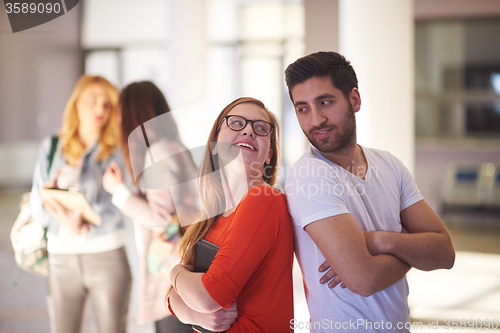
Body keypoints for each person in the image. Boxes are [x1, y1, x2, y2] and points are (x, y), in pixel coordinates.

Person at [284, 51, 455, 332]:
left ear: (354, 99)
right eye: (303, 108)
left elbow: (444, 253)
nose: (315, 120)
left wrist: (379, 241)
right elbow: (364, 280)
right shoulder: (308, 175)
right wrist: (408, 243)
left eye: (325, 102)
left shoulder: (389, 164)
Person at [167, 97, 294, 332]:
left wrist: (175, 271)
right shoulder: (209, 219)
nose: (248, 130)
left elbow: (209, 297)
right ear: (215, 145)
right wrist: (192, 314)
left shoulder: (264, 200)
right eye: (236, 123)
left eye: (260, 128)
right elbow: (173, 299)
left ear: (268, 155)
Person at [29, 75, 131, 333]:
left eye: (107, 104)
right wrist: (64, 220)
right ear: (76, 104)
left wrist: (83, 223)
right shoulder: (52, 147)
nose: (100, 109)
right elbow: (37, 203)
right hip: (61, 257)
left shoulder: (118, 149)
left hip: (107, 255)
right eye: (93, 101)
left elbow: (120, 205)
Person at [102, 81, 196, 333]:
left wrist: (118, 192)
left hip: (173, 274)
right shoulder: (175, 147)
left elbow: (163, 221)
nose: (117, 118)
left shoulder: (158, 153)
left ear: (134, 114)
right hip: (185, 271)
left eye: (120, 111)